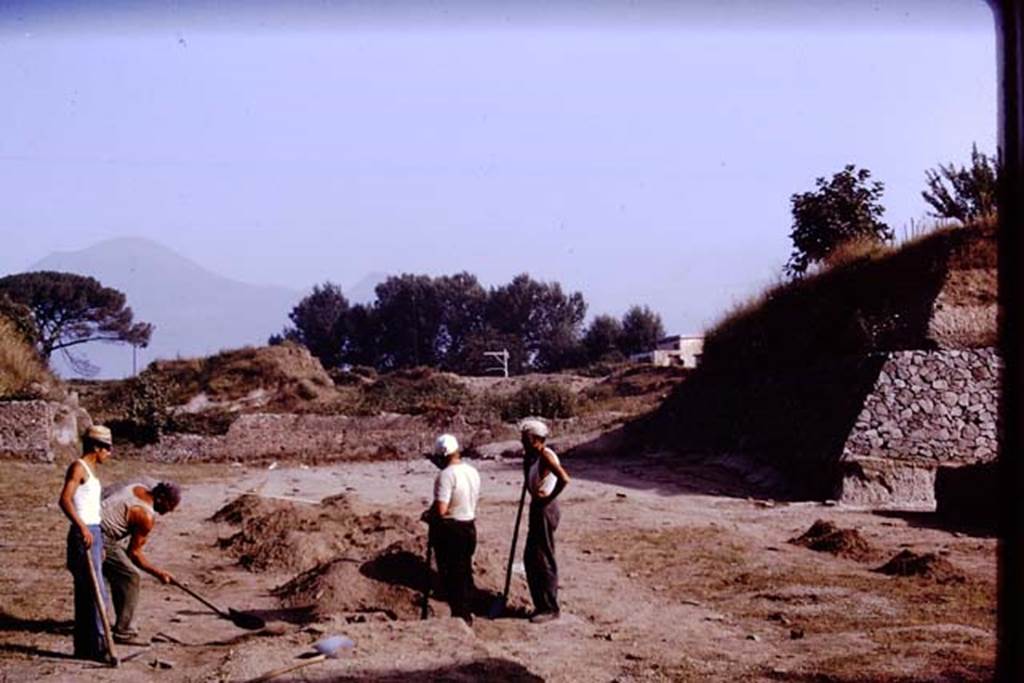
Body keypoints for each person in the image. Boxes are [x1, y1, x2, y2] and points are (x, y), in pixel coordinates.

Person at [100, 480, 181, 643]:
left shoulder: (137, 487)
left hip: (92, 527)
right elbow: (134, 554)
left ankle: (115, 622)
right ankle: (125, 632)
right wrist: (159, 574)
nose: (169, 511)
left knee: (121, 571)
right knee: (131, 576)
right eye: (170, 506)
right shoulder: (145, 515)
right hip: (100, 538)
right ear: (161, 498)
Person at [58, 425, 114, 661]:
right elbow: (65, 500)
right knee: (94, 593)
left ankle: (85, 648)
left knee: (88, 593)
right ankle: (100, 647)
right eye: (107, 449)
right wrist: (82, 527)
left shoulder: (91, 470)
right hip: (84, 533)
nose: (109, 454)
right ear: (96, 447)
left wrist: (98, 539)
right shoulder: (78, 468)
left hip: (94, 532)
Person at [421, 433, 480, 624]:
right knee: (464, 571)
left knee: (453, 575)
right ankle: (469, 610)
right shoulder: (472, 471)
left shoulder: (446, 475)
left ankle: (460, 616)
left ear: (442, 456)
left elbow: (441, 509)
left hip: (451, 530)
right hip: (469, 525)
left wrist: (430, 516)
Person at [520, 418, 571, 624]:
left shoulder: (546, 457)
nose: (523, 442)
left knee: (543, 558)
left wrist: (547, 498)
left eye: (527, 438)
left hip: (545, 509)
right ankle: (540, 603)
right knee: (531, 558)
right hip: (537, 507)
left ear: (538, 439)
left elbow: (565, 479)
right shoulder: (532, 456)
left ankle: (550, 608)